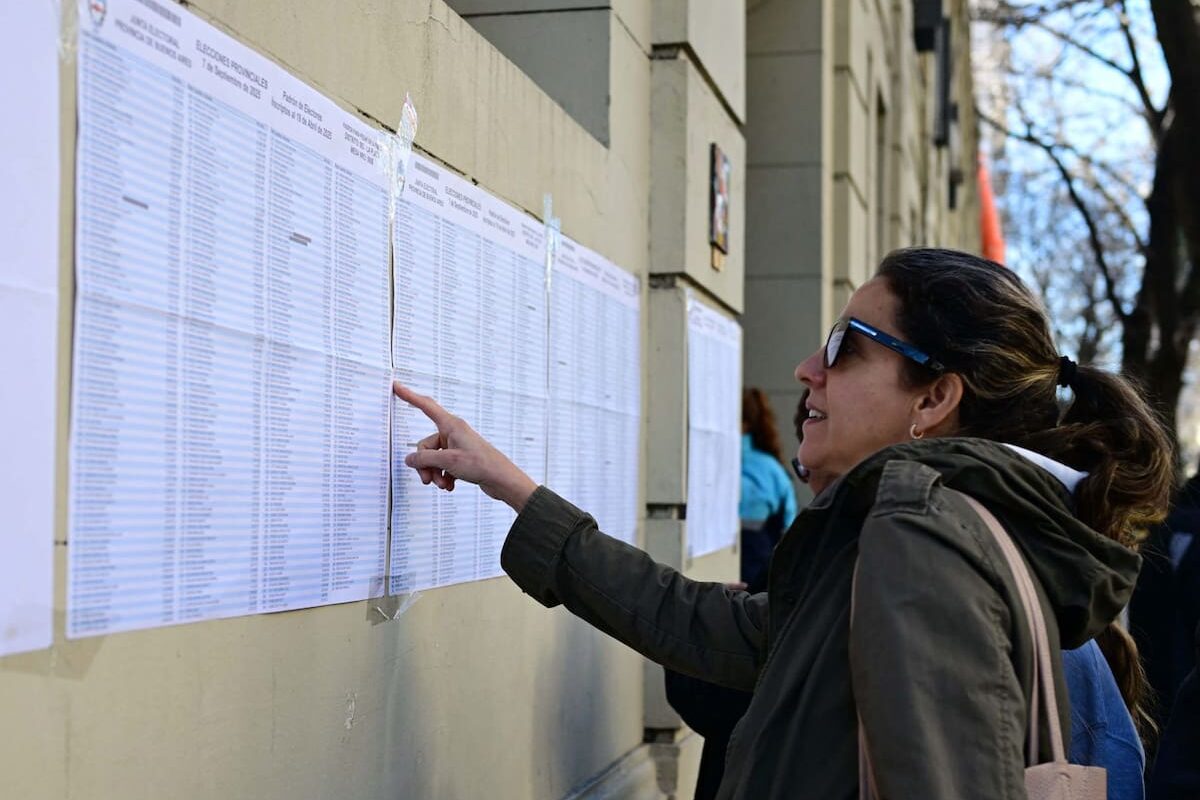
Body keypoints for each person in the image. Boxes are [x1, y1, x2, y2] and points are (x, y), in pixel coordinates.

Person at [395, 247, 1174, 798]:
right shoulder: (924, 529)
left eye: (844, 346)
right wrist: (515, 488)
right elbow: (708, 626)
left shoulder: (924, 535)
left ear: (935, 398)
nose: (808, 369)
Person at [663, 389, 801, 800]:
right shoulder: (773, 472)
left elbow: (706, 699)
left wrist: (699, 619)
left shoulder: (707, 465)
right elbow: (787, 522)